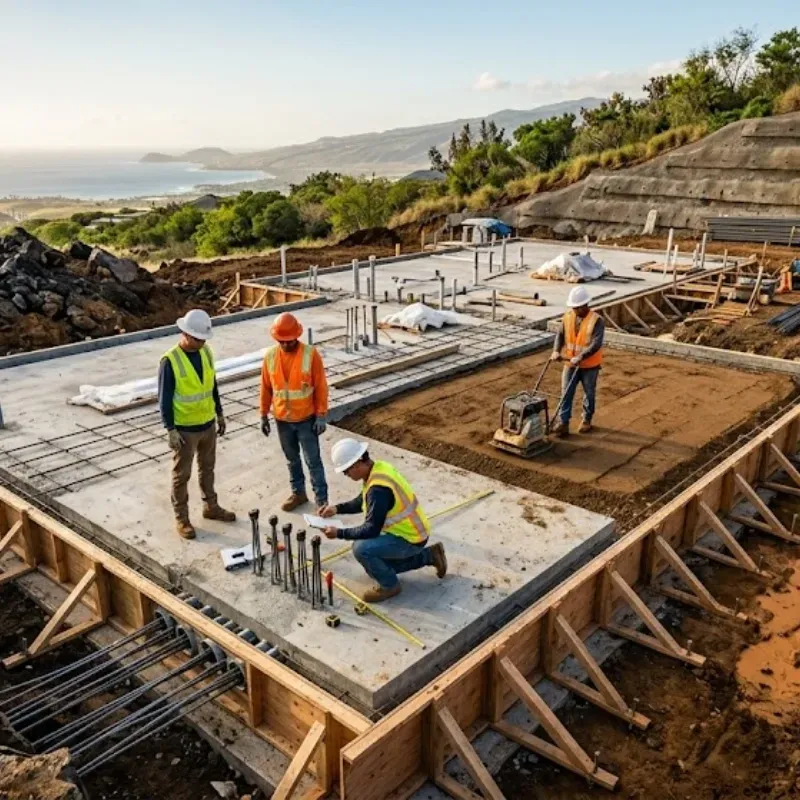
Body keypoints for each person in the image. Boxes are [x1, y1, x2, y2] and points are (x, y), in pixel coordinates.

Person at [318, 438, 447, 603]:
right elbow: (363, 501)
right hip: (411, 532)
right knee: (375, 567)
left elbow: (371, 529)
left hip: (410, 538)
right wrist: (337, 508)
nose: (346, 475)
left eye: (346, 470)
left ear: (357, 464)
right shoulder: (377, 469)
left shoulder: (378, 490)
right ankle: (429, 556)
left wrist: (339, 533)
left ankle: (390, 586)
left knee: (362, 549)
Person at [159, 309, 236, 540]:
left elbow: (211, 384)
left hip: (207, 424)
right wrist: (170, 429)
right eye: (197, 338)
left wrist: (220, 414)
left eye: (204, 339)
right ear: (184, 333)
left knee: (207, 468)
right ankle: (182, 518)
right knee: (181, 476)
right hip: (184, 430)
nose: (201, 342)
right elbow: (164, 399)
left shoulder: (206, 352)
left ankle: (210, 507)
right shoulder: (169, 361)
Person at [260, 312, 329, 511]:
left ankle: (321, 500)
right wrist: (263, 414)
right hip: (282, 419)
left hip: (306, 419)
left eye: (290, 341)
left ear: (297, 336)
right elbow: (266, 387)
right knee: (292, 460)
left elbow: (321, 386)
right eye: (282, 341)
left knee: (313, 461)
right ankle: (298, 493)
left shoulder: (310, 354)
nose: (286, 345)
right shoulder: (271, 356)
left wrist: (321, 415)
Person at [550, 285, 605, 438]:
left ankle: (586, 420)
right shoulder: (567, 317)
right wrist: (556, 350)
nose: (574, 309)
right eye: (573, 307)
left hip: (589, 366)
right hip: (570, 363)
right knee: (565, 393)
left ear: (584, 305)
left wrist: (581, 356)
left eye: (576, 307)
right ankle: (563, 423)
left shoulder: (597, 321)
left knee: (589, 393)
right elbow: (560, 335)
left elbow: (596, 343)